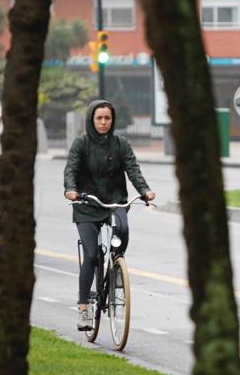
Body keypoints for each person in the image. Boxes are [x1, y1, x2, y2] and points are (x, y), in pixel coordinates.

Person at [64, 99, 156, 330]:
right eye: (99, 118)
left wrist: (144, 190)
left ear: (112, 121)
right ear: (91, 120)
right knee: (92, 254)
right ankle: (84, 307)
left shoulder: (121, 144)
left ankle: (115, 272)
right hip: (87, 204)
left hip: (115, 202)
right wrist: (71, 190)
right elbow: (71, 170)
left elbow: (133, 170)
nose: (104, 122)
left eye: (108, 118)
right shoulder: (81, 144)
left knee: (121, 241)